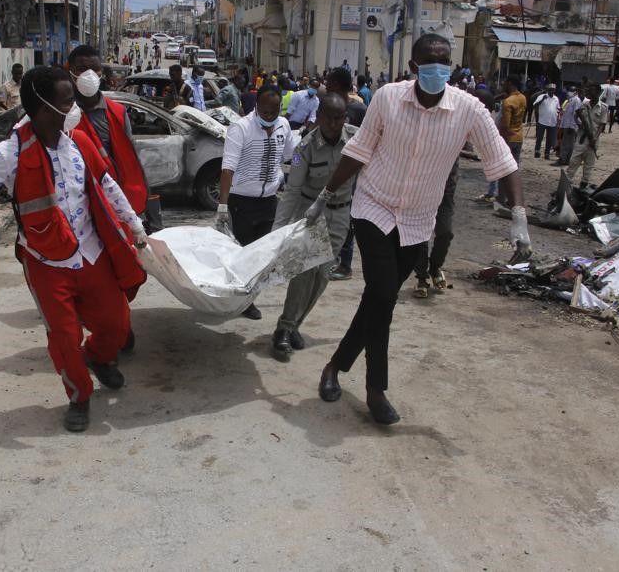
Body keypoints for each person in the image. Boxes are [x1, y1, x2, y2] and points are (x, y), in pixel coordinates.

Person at [306, 33, 528, 426]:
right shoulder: (389, 98)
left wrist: (519, 216)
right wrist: (325, 193)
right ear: (414, 67)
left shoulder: (468, 109)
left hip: (416, 221)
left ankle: (334, 366)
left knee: (378, 299)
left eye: (445, 63)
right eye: (430, 63)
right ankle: (376, 392)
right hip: (374, 207)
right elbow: (359, 150)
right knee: (384, 296)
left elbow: (503, 160)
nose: (438, 69)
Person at [0, 66, 148, 433]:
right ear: (43, 108)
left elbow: (107, 184)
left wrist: (135, 225)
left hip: (91, 252)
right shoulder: (8, 153)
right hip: (46, 260)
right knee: (63, 338)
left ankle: (99, 357)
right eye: (67, 101)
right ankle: (79, 395)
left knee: (118, 324)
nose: (74, 107)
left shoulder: (80, 142)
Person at [268, 95, 354, 360]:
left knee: (322, 275)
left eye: (339, 118)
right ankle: (283, 329)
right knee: (303, 272)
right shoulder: (303, 148)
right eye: (328, 117)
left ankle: (296, 324)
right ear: (319, 117)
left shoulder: (355, 140)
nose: (333, 123)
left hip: (340, 215)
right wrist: (278, 229)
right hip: (310, 214)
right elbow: (292, 191)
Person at [216, 84, 295, 320]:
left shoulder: (284, 126)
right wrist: (222, 205)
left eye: (274, 111)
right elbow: (227, 169)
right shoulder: (240, 129)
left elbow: (293, 154)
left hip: (269, 201)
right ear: (256, 107)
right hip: (242, 202)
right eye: (265, 112)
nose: (269, 117)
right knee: (243, 254)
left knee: (262, 256)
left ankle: (249, 298)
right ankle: (241, 300)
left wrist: (300, 171)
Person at [67, 45, 149, 216]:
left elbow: (130, 159)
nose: (89, 75)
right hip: (75, 204)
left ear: (101, 72)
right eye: (82, 69)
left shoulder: (117, 112)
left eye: (95, 69)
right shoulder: (61, 113)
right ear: (70, 71)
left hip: (111, 201)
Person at [324, 67, 366, 282]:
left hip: (351, 171)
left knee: (347, 217)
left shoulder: (358, 110)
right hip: (328, 167)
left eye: (330, 84)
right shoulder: (326, 104)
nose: (326, 88)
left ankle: (346, 265)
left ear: (339, 86)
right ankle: (329, 259)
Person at [412, 162, 457, 299]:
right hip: (419, 196)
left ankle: (435, 267)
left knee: (446, 232)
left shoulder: (452, 150)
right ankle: (421, 278)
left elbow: (452, 179)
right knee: (421, 235)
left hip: (444, 198)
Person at [480, 75, 524, 202]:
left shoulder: (508, 102)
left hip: (508, 138)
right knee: (513, 168)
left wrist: (500, 139)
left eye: (505, 83)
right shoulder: (522, 98)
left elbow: (505, 124)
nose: (503, 85)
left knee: (502, 169)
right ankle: (511, 199)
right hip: (518, 137)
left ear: (510, 84)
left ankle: (501, 197)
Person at [566, 85, 601, 189]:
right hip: (581, 139)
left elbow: (602, 125)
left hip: (593, 141)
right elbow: (576, 115)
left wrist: (594, 138)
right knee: (573, 162)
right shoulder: (584, 105)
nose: (589, 93)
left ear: (598, 92)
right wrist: (579, 124)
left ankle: (584, 184)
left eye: (592, 91)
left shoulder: (603, 107)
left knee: (588, 166)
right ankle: (567, 183)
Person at [532, 83, 561, 160]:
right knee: (539, 137)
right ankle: (537, 151)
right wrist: (542, 99)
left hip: (552, 122)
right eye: (550, 89)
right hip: (542, 121)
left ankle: (547, 153)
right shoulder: (542, 96)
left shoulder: (556, 98)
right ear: (548, 90)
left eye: (553, 90)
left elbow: (558, 109)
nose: (552, 91)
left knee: (549, 139)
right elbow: (535, 105)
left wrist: (559, 116)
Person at [554, 87, 582, 166]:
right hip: (566, 125)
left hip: (570, 126)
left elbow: (575, 114)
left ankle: (564, 159)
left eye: (571, 91)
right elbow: (566, 114)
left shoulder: (576, 100)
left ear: (575, 92)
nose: (568, 92)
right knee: (567, 144)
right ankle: (566, 159)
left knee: (567, 144)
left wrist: (572, 126)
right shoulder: (569, 101)